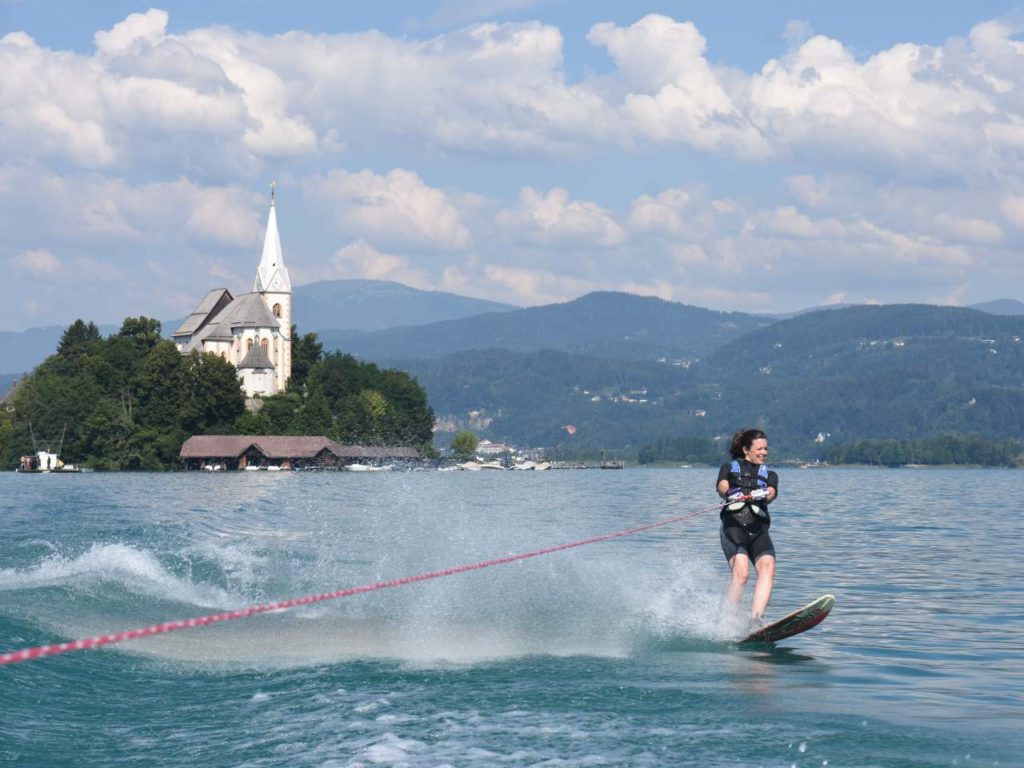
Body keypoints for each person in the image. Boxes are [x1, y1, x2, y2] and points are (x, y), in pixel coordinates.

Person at [716, 428, 778, 628]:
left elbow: (771, 492)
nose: (764, 452)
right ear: (746, 450)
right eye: (759, 448)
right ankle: (727, 622)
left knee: (767, 566)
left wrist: (764, 494)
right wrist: (730, 492)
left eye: (766, 448)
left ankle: (755, 620)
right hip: (733, 527)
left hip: (758, 529)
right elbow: (721, 486)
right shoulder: (728, 468)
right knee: (742, 573)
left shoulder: (771, 474)